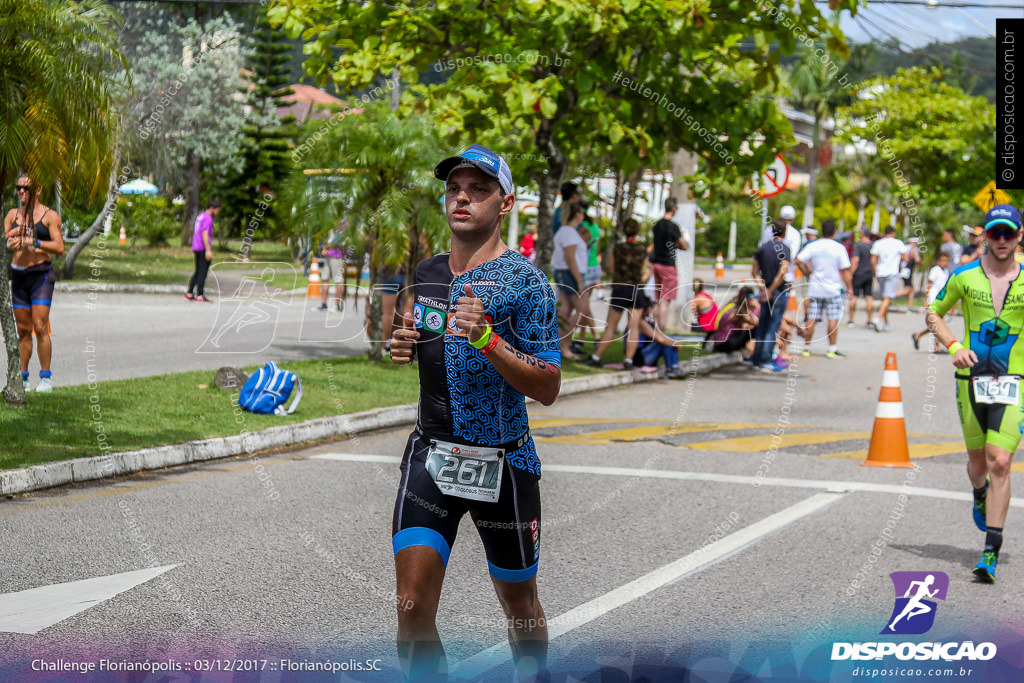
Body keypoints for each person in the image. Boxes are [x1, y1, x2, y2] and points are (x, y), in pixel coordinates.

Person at [389, 143, 560, 679]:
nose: (462, 197)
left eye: (479, 189)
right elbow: (431, 344)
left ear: (505, 203)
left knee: (522, 611)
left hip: (503, 462)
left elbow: (550, 385)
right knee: (411, 607)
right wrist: (405, 345)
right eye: (454, 189)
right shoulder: (428, 271)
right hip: (432, 454)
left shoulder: (526, 282)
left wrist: (489, 340)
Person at [926, 204, 1024, 583]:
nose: (1001, 240)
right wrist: (953, 347)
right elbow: (933, 313)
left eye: (1009, 233)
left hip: (1015, 382)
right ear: (986, 235)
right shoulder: (964, 275)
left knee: (1001, 461)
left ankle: (990, 551)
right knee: (979, 464)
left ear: (1019, 236)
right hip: (971, 381)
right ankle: (978, 491)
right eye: (995, 233)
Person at [4, 175, 64, 392]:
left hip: (41, 276)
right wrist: (13, 234)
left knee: (40, 327)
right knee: (22, 330)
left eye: (26, 188)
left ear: (37, 191)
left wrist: (34, 241)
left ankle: (46, 378)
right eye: (19, 187)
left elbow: (59, 247)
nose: (21, 192)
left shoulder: (49, 216)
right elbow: (5, 241)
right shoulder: (12, 215)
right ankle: (23, 378)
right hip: (18, 276)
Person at [586, 218, 647, 369]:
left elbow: (611, 268)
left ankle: (596, 357)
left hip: (620, 288)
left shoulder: (618, 248)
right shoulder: (642, 249)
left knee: (611, 327)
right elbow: (644, 271)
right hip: (637, 289)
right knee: (634, 327)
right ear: (637, 231)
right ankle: (628, 361)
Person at [795, 219, 852, 359]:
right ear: (835, 232)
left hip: (815, 287)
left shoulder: (814, 246)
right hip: (833, 289)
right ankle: (832, 349)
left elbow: (798, 260)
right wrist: (850, 287)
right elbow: (845, 270)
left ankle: (806, 348)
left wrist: (807, 273)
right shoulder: (839, 248)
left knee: (812, 317)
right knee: (833, 318)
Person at [749, 218, 791, 373]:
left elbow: (754, 272)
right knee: (773, 325)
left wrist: (763, 288)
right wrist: (771, 290)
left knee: (763, 324)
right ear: (784, 232)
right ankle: (766, 359)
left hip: (765, 291)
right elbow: (783, 271)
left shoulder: (762, 249)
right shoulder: (784, 249)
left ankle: (757, 359)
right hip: (778, 291)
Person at [552, 201, 589, 360]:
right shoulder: (568, 232)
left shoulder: (568, 231)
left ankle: (560, 346)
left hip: (566, 273)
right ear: (577, 214)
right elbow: (570, 258)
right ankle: (564, 345)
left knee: (565, 312)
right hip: (570, 274)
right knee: (583, 310)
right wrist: (579, 281)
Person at [650, 197, 689, 330]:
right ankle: (661, 329)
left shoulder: (656, 225)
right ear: (674, 208)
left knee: (657, 298)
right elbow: (684, 245)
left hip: (656, 264)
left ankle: (654, 326)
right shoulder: (673, 227)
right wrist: (680, 243)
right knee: (665, 300)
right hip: (668, 265)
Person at [631, 293, 687, 377]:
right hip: (640, 358)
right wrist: (676, 343)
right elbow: (660, 339)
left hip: (646, 355)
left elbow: (662, 334)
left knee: (668, 341)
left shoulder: (648, 322)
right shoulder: (640, 323)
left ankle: (673, 368)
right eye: (652, 307)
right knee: (665, 342)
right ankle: (673, 368)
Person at [869, 226, 907, 332]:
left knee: (884, 299)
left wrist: (875, 272)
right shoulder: (898, 243)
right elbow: (905, 257)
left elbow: (873, 260)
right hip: (891, 272)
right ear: (893, 233)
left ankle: (886, 323)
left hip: (880, 273)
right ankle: (878, 318)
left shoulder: (878, 243)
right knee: (887, 298)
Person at [912, 251, 951, 350]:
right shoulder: (935, 270)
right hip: (933, 298)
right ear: (938, 261)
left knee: (936, 324)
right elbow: (929, 285)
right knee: (937, 322)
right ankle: (936, 346)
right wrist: (927, 299)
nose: (945, 263)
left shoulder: (946, 271)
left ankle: (919, 335)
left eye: (947, 261)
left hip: (940, 299)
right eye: (943, 260)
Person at [186, 199, 220, 303]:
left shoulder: (201, 216)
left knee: (198, 270)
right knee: (202, 271)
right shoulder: (208, 218)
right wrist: (208, 250)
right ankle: (200, 294)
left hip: (196, 246)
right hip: (202, 247)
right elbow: (205, 234)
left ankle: (190, 292)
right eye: (217, 210)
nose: (218, 212)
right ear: (212, 208)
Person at [711, 286, 759, 355]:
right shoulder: (741, 311)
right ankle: (751, 353)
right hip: (725, 343)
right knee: (755, 331)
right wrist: (757, 307)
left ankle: (752, 351)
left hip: (719, 342)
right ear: (749, 298)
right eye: (752, 296)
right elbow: (757, 323)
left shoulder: (735, 308)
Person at [319, 219, 351, 312]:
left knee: (338, 280)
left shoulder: (344, 222)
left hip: (337, 255)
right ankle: (324, 304)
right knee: (325, 278)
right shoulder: (334, 221)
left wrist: (325, 248)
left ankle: (337, 305)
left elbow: (337, 240)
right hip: (329, 254)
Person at [847, 230, 875, 328]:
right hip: (869, 273)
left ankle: (851, 320)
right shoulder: (873, 245)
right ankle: (869, 321)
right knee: (869, 297)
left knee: (854, 297)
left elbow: (855, 260)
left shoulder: (859, 246)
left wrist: (850, 273)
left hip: (858, 274)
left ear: (862, 235)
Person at [896, 236, 923, 312]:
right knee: (907, 289)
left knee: (911, 289)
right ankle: (890, 296)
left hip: (903, 269)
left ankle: (910, 306)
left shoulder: (905, 248)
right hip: (908, 270)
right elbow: (917, 259)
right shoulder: (914, 249)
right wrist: (921, 263)